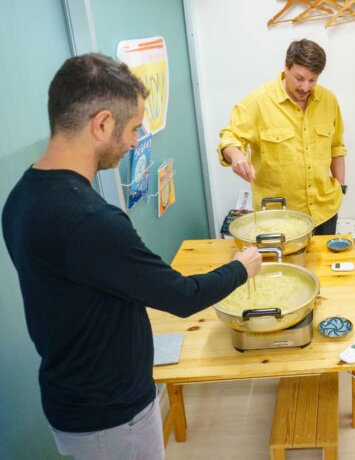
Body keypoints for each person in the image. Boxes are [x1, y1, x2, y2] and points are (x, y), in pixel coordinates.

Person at [1, 53, 262, 460]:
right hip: (110, 416)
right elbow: (182, 296)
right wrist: (241, 268)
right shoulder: (91, 221)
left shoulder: (21, 197)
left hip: (69, 394)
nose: (135, 142)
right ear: (102, 123)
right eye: (135, 128)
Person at [218, 39, 346, 235]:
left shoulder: (329, 100)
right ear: (286, 67)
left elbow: (336, 148)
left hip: (325, 212)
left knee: (323, 266)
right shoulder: (258, 102)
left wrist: (340, 186)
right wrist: (236, 156)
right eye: (299, 78)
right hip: (278, 217)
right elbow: (229, 138)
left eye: (313, 80)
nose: (305, 87)